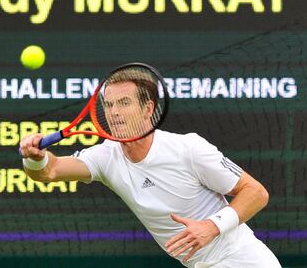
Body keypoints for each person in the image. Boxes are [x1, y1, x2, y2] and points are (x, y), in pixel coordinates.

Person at [19, 74, 282, 268]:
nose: (114, 113)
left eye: (124, 103)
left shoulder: (188, 149)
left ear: (148, 109)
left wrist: (212, 226)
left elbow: (256, 192)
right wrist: (35, 158)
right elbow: (50, 171)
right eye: (109, 105)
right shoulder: (106, 156)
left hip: (244, 260)